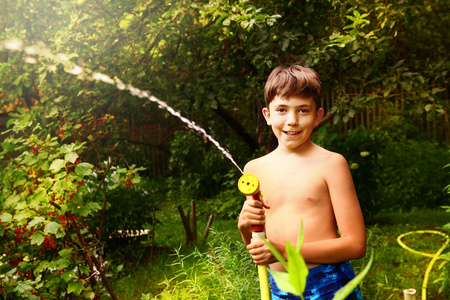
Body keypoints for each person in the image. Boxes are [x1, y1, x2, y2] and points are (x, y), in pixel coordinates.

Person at [237, 63, 366, 299]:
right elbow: (258, 247)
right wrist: (245, 226)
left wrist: (284, 252)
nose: (292, 120)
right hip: (280, 288)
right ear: (267, 115)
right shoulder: (254, 170)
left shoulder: (331, 164)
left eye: (303, 110)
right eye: (282, 110)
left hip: (328, 284)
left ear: (318, 116)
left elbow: (356, 244)